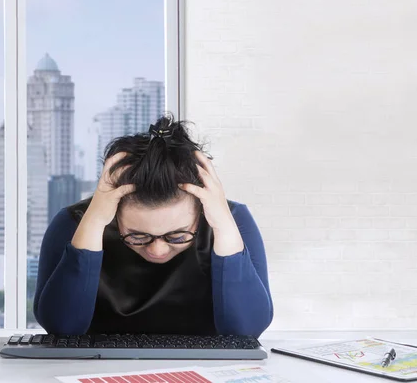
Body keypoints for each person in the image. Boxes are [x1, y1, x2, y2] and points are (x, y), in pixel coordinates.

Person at [33, 115, 273, 338]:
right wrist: (94, 222)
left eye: (177, 236)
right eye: (137, 236)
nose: (157, 251)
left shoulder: (231, 221)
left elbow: (246, 332)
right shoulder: (73, 223)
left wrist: (223, 225)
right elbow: (62, 329)